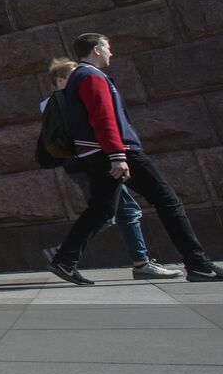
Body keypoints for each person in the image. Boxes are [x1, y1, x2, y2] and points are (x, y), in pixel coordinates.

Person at [49, 34, 222, 284]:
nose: (111, 53)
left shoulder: (80, 77)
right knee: (168, 201)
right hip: (117, 152)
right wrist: (117, 156)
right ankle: (198, 264)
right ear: (96, 50)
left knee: (102, 209)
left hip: (96, 153)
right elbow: (103, 117)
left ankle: (64, 261)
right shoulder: (91, 76)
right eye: (108, 48)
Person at [44, 58, 180, 280]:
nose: (77, 79)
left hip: (93, 160)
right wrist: (115, 155)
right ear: (60, 80)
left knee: (115, 210)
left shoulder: (70, 96)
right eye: (72, 76)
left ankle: (67, 256)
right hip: (90, 162)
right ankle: (65, 254)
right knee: (116, 211)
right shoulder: (60, 100)